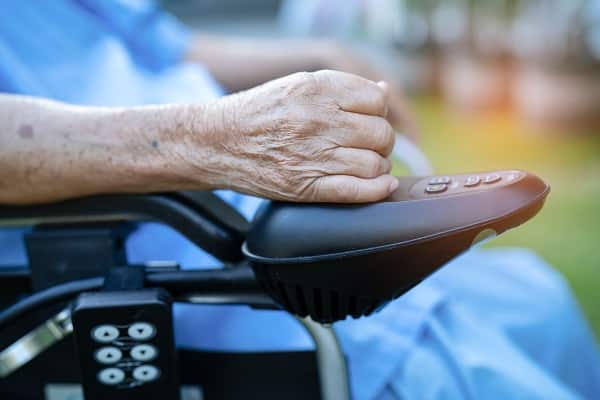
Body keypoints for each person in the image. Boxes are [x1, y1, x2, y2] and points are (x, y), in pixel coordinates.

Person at [0, 1, 599, 399]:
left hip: (242, 192)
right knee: (481, 378)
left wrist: (317, 63)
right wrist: (212, 138)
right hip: (178, 263)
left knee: (539, 305)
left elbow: (150, 46)